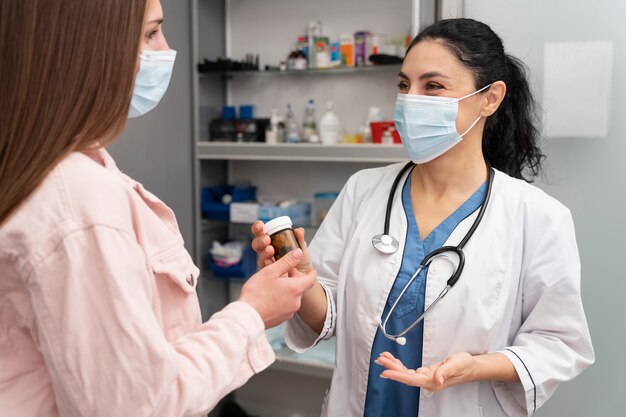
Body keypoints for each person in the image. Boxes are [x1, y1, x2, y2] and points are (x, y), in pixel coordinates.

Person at [252, 18, 594, 417]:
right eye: (403, 85)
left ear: (491, 98)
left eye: (432, 86)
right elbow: (327, 318)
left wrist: (474, 367)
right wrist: (301, 281)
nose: (410, 100)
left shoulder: (538, 217)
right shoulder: (364, 190)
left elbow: (559, 342)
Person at [0, 1, 315, 416]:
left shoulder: (45, 166)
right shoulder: (77, 200)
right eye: (151, 34)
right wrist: (252, 313)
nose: (167, 49)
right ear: (92, 47)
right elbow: (137, 405)